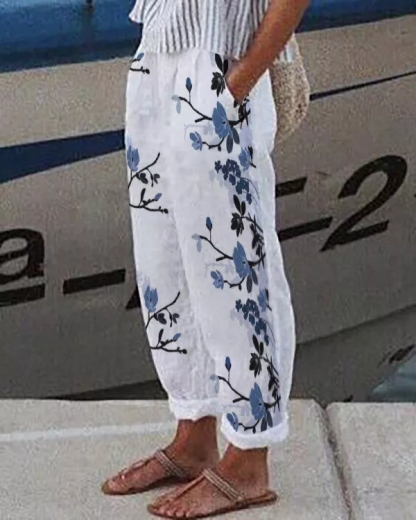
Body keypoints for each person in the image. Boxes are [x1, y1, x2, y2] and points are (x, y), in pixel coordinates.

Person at [102, 0, 309, 517]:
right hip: (159, 50)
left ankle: (249, 459)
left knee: (236, 268)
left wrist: (240, 80)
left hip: (222, 61)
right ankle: (194, 433)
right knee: (165, 257)